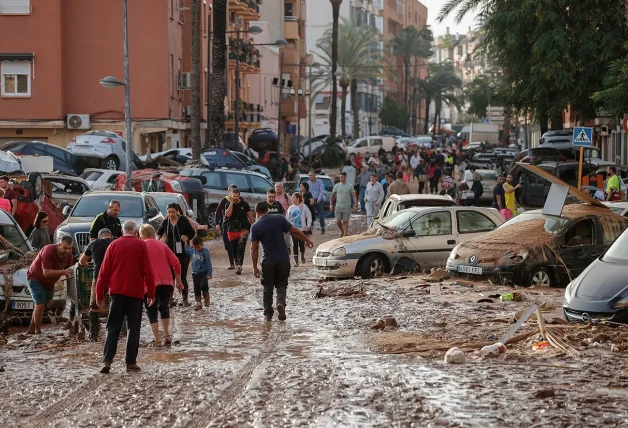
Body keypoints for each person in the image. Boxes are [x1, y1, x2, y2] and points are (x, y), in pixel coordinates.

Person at [96, 221, 155, 374]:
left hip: (116, 293)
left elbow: (103, 272)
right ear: (136, 233)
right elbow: (148, 271)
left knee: (113, 326)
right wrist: (151, 293)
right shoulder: (141, 245)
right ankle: (130, 362)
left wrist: (99, 294)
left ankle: (107, 360)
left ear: (122, 232)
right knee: (133, 328)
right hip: (135, 293)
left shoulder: (113, 245)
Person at [250, 201, 313, 321]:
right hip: (283, 260)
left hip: (267, 261)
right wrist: (307, 240)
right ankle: (280, 303)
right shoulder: (279, 219)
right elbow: (294, 231)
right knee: (281, 285)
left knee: (267, 288)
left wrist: (254, 267)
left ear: (257, 212)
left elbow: (254, 248)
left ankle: (268, 315)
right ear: (267, 209)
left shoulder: (255, 226)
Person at [139, 224, 182, 346]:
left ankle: (157, 339)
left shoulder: (141, 247)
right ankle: (167, 335)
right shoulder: (163, 246)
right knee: (164, 308)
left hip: (148, 284)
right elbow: (176, 263)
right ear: (153, 234)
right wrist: (178, 281)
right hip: (166, 282)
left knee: (151, 310)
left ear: (141, 236)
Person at [26, 237, 74, 335]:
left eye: (70, 248)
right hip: (35, 278)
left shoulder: (69, 255)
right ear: (59, 245)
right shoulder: (48, 251)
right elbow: (46, 272)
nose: (67, 251)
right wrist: (63, 272)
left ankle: (31, 329)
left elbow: (70, 270)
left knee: (42, 304)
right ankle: (38, 332)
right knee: (40, 303)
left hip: (49, 282)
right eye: (65, 248)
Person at [79, 228, 114, 341]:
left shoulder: (94, 243)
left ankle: (93, 335)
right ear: (111, 236)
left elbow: (82, 261)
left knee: (94, 307)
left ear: (99, 237)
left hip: (99, 278)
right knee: (116, 305)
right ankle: (118, 332)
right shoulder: (115, 243)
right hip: (115, 279)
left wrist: (87, 264)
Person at [157, 203, 195, 305]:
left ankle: (185, 299)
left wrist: (187, 237)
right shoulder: (165, 222)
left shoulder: (183, 221)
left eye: (173, 212)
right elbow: (159, 232)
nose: (171, 214)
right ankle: (170, 299)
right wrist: (160, 241)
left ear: (177, 211)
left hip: (183, 253)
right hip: (169, 253)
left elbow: (192, 232)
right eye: (169, 212)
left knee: (182, 276)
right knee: (170, 276)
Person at [224, 188, 255, 275]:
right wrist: (231, 203)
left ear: (239, 195)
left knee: (241, 248)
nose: (235, 198)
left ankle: (239, 265)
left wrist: (254, 226)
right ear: (231, 196)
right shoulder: (227, 204)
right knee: (234, 249)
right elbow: (228, 214)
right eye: (234, 196)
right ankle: (236, 263)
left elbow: (250, 216)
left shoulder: (244, 204)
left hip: (243, 229)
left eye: (237, 196)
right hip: (232, 230)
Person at [185, 236, 213, 310]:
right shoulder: (193, 251)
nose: (197, 249)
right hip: (195, 273)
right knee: (196, 289)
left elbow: (208, 263)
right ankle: (198, 303)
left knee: (204, 285)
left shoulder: (205, 252)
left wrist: (209, 273)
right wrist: (185, 242)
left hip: (203, 273)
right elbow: (187, 250)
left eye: (198, 247)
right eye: (195, 247)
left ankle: (206, 298)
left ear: (202, 245)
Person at [215, 185, 238, 269]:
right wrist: (217, 223)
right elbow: (218, 212)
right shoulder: (224, 201)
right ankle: (232, 263)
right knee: (228, 245)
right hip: (226, 225)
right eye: (232, 192)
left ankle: (237, 262)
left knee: (236, 244)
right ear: (229, 192)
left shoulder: (240, 200)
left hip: (236, 226)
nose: (233, 194)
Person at [286, 192, 312, 266]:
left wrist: (308, 225)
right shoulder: (290, 208)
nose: (292, 199)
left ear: (298, 198)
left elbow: (309, 216)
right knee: (294, 244)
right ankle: (296, 261)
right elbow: (288, 219)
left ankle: (302, 256)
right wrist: (288, 227)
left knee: (301, 243)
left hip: (302, 229)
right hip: (293, 229)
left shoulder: (304, 207)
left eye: (293, 197)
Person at [331, 172, 358, 237]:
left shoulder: (350, 186)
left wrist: (356, 205)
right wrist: (331, 204)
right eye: (340, 177)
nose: (340, 178)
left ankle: (345, 234)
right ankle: (342, 231)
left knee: (345, 221)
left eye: (342, 177)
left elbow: (354, 195)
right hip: (338, 205)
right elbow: (332, 195)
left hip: (347, 205)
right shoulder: (337, 185)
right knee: (338, 221)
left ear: (345, 177)